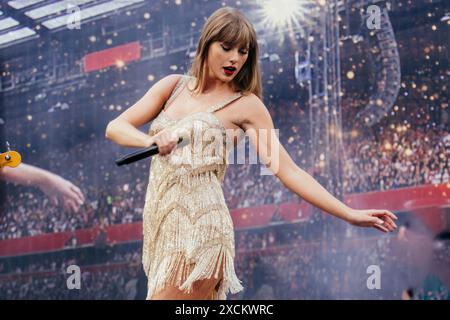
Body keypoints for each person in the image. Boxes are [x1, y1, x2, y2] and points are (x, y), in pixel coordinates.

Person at [105, 7, 397, 300]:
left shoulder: (247, 105)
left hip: (202, 229)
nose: (235, 58)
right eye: (227, 47)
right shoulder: (172, 86)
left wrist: (349, 214)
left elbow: (289, 170)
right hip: (162, 227)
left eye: (243, 51)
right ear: (207, 43)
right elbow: (116, 127)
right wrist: (151, 139)